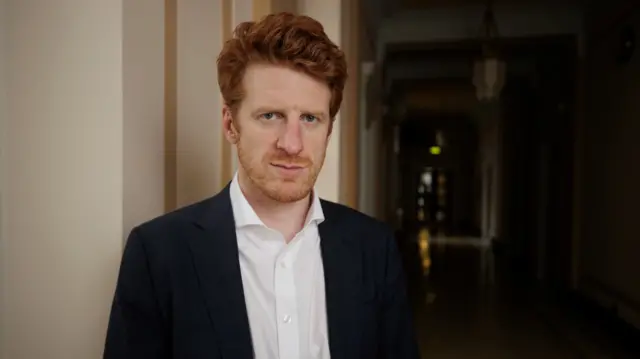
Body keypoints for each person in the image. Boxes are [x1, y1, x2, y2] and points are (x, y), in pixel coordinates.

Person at [103, 12, 420, 359]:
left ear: (329, 130)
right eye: (271, 116)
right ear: (230, 124)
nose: (293, 144)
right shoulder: (157, 255)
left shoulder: (375, 249)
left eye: (311, 119)